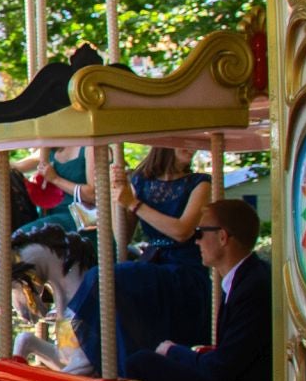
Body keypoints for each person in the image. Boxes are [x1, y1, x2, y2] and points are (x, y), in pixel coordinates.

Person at [124, 199, 269, 381]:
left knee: (141, 363)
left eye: (200, 232)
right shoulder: (245, 280)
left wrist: (173, 352)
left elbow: (222, 368)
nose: (196, 240)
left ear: (223, 237)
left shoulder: (252, 287)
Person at [69, 147, 214, 368]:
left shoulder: (200, 183)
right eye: (182, 141)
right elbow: (123, 237)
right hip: (155, 265)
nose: (191, 148)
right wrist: (117, 196)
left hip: (185, 270)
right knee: (105, 279)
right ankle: (109, 360)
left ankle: (124, 367)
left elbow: (182, 231)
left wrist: (134, 204)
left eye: (192, 143)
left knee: (109, 277)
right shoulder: (141, 181)